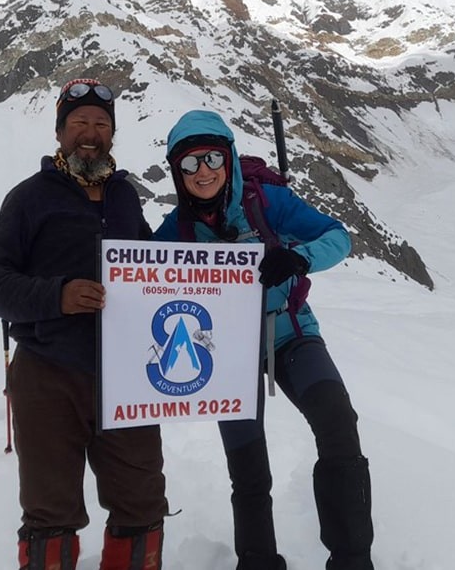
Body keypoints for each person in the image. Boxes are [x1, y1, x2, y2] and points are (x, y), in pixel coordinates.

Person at [153, 110, 374, 570]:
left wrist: (297, 259)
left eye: (212, 157)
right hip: (225, 352)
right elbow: (142, 281)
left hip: (291, 332)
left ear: (229, 157)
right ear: (178, 172)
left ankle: (352, 559)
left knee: (337, 423)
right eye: (189, 164)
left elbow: (338, 237)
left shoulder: (267, 203)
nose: (203, 171)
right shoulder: (176, 230)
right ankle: (257, 561)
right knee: (248, 466)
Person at [0, 78, 168, 570]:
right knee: (51, 514)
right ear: (60, 132)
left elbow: (149, 269)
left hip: (128, 379)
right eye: (79, 122)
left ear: (112, 135)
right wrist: (56, 296)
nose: (90, 132)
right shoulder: (31, 197)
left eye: (101, 124)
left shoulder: (126, 198)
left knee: (141, 504)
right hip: (48, 372)